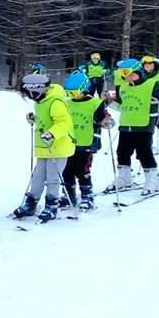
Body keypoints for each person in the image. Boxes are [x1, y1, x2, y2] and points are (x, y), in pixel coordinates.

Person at [12, 73, 74, 220]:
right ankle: (31, 203)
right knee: (37, 177)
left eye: (28, 94)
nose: (28, 97)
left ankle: (51, 205)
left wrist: (52, 133)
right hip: (44, 147)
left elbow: (64, 123)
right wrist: (35, 118)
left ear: (36, 90)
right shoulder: (41, 102)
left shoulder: (55, 102)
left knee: (53, 178)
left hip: (57, 147)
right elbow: (46, 119)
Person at [106, 58, 159, 195]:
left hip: (144, 125)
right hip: (126, 124)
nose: (125, 77)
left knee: (144, 153)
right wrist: (110, 102)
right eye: (123, 74)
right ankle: (124, 178)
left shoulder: (151, 84)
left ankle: (153, 181)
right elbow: (121, 105)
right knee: (122, 152)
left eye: (127, 73)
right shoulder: (123, 87)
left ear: (138, 71)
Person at [60, 72, 109, 211]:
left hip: (87, 143)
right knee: (67, 170)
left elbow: (103, 117)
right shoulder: (67, 103)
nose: (71, 96)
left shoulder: (95, 103)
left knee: (82, 170)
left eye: (73, 92)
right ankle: (68, 195)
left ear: (83, 89)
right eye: (68, 93)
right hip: (68, 143)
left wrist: (106, 121)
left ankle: (87, 195)